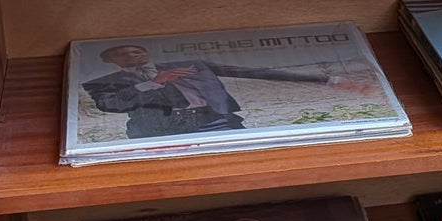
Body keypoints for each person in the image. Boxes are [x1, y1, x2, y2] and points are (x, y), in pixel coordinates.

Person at [82, 42, 366, 140]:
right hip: (161, 130)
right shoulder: (104, 81)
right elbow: (110, 105)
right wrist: (155, 82)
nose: (132, 55)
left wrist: (327, 80)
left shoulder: (192, 64)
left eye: (136, 50)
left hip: (215, 119)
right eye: (122, 53)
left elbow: (253, 72)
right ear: (110, 60)